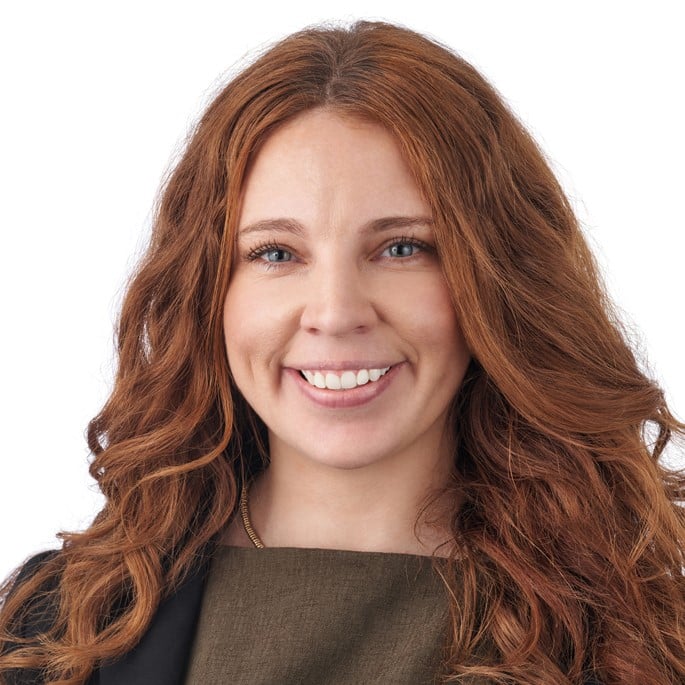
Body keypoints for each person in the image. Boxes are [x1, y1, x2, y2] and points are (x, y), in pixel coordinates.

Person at [1, 19, 684, 685]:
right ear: (208, 292)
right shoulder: (53, 629)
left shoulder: (643, 633)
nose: (334, 312)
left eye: (401, 247)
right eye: (275, 252)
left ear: (497, 280)